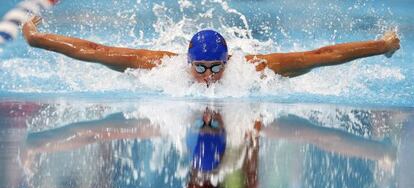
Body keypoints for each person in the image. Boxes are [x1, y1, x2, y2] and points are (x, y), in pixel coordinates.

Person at [22, 16, 400, 86]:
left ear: (228, 60)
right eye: (199, 69)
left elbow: (323, 54)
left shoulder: (253, 69)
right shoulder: (160, 68)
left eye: (213, 68)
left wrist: (381, 46)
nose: (208, 77)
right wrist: (37, 38)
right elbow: (96, 49)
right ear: (187, 61)